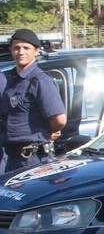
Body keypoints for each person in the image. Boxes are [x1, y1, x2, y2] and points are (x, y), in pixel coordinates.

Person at [2, 28, 66, 173]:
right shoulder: (7, 80)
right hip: (10, 159)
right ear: (11, 50)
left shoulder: (40, 80)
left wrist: (49, 131)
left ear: (36, 51)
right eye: (16, 48)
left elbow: (60, 119)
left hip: (33, 158)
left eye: (26, 48)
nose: (21, 52)